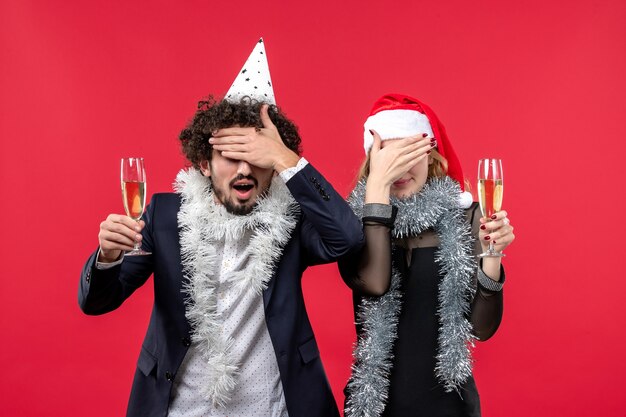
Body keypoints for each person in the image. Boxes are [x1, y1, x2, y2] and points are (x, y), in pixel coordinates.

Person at [78, 39, 363, 417]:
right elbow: (97, 303)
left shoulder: (291, 219)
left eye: (256, 157)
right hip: (182, 409)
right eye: (231, 156)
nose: (244, 170)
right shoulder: (164, 217)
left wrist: (286, 158)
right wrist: (108, 258)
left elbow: (348, 238)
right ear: (204, 163)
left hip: (274, 409)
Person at [339, 93, 515, 417]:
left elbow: (480, 329)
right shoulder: (351, 223)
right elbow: (375, 283)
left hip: (450, 407)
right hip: (373, 407)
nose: (400, 169)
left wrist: (493, 255)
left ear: (431, 155)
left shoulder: (465, 218)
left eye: (410, 152)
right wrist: (377, 187)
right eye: (389, 157)